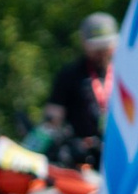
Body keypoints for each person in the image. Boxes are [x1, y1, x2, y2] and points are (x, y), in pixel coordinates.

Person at [43, 12, 118, 164]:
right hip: (83, 159)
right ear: (84, 43)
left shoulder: (127, 73)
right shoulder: (70, 74)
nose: (101, 53)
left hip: (120, 154)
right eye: (96, 47)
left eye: (105, 46)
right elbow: (51, 120)